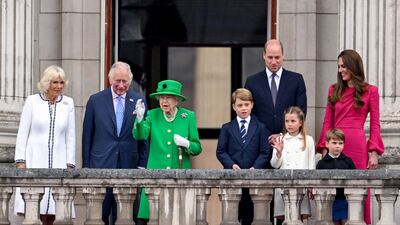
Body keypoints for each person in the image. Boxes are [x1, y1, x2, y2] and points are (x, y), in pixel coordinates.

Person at [316, 49, 384, 224]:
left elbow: (375, 123)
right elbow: (327, 122)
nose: (340, 70)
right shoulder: (333, 89)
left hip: (357, 147)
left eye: (344, 66)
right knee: (334, 193)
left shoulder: (371, 91)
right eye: (339, 66)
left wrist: (374, 151)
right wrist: (324, 148)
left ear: (354, 66)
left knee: (358, 192)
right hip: (335, 146)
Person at [82, 61, 148, 225]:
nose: (120, 85)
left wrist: (142, 164)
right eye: (117, 81)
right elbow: (87, 136)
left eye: (124, 81)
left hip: (129, 165)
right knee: (99, 216)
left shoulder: (139, 100)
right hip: (101, 165)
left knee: (126, 217)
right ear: (110, 79)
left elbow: (144, 136)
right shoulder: (95, 100)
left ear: (130, 80)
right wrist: (86, 166)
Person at [133, 79, 202, 222]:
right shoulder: (152, 115)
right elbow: (140, 135)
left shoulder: (188, 117)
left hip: (179, 179)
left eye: (168, 97)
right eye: (161, 97)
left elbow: (197, 148)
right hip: (155, 178)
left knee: (177, 219)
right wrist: (139, 120)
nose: (164, 101)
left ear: (177, 100)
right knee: (152, 218)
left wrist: (187, 143)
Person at [14, 65, 76, 225]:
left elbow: (70, 136)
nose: (59, 86)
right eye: (55, 82)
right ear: (47, 83)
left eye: (62, 82)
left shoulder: (68, 103)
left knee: (57, 210)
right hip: (35, 159)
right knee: (35, 208)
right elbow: (22, 133)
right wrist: (20, 161)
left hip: (59, 160)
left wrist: (70, 164)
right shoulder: (32, 101)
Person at [216, 88, 270, 225]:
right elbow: (221, 151)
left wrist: (255, 167)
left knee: (251, 216)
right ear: (234, 107)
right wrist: (231, 165)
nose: (244, 108)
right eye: (240, 105)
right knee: (231, 217)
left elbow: (264, 152)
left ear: (252, 105)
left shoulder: (260, 127)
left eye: (246, 105)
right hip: (232, 178)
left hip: (254, 179)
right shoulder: (227, 128)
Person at [244, 39, 307, 151]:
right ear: (264, 55)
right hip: (260, 145)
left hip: (289, 143)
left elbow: (301, 111)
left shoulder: (296, 80)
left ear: (283, 56)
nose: (273, 62)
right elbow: (250, 114)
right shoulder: (252, 82)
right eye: (270, 57)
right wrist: (266, 136)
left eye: (277, 57)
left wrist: (282, 135)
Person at [270, 106, 315, 222]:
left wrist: (311, 185)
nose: (289, 124)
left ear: (300, 122)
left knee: (299, 217)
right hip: (283, 185)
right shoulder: (280, 139)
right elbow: (274, 165)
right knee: (285, 217)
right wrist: (278, 153)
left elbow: (311, 166)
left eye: (293, 121)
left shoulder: (308, 140)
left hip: (302, 185)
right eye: (287, 121)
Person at [316, 128, 356, 225]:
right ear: (327, 144)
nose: (337, 146)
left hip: (345, 199)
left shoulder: (348, 161)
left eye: (340, 143)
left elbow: (355, 180)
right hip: (329, 200)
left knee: (345, 221)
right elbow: (318, 183)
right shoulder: (321, 164)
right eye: (334, 143)